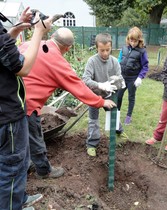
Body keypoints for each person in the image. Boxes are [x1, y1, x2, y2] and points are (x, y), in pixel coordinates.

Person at [19, 28, 116, 178]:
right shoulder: (58, 63)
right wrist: (100, 101)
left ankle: (26, 163)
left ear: (52, 37)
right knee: (35, 137)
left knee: (19, 137)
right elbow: (79, 88)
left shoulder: (29, 44)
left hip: (11, 98)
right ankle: (44, 171)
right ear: (68, 48)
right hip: (27, 105)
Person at [0, 7, 52, 210]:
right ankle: (12, 206)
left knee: (13, 164)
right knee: (12, 166)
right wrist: (38, 32)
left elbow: (2, 49)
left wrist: (17, 28)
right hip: (7, 115)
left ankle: (18, 199)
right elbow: (24, 68)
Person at [82, 33, 123, 157]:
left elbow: (119, 77)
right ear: (97, 48)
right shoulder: (92, 61)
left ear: (111, 47)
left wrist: (117, 83)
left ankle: (118, 130)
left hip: (109, 95)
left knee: (113, 113)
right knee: (93, 120)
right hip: (94, 96)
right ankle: (92, 144)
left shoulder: (114, 61)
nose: (105, 53)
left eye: (107, 50)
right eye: (102, 50)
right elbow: (85, 80)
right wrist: (100, 85)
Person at [117, 26, 149, 125]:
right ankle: (117, 114)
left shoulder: (142, 51)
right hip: (122, 77)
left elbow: (145, 66)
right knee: (118, 96)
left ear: (139, 40)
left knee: (131, 97)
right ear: (128, 39)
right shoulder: (124, 48)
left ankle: (128, 116)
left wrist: (140, 77)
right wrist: (117, 72)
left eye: (135, 41)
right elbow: (119, 60)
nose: (133, 43)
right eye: (131, 40)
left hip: (133, 79)